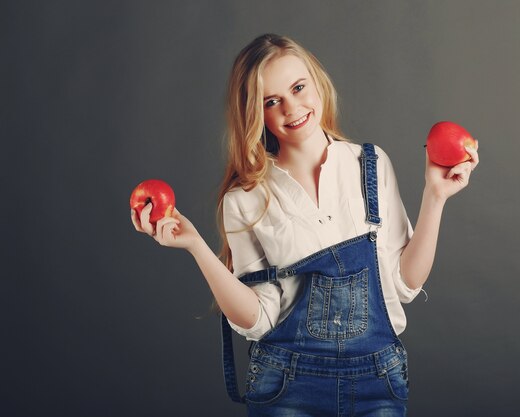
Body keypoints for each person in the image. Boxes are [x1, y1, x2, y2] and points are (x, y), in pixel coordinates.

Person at [131, 33, 479, 417]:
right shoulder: (245, 198)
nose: (292, 108)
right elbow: (258, 319)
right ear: (255, 114)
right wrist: (197, 246)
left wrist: (435, 197)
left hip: (377, 383)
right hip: (287, 387)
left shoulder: (370, 164)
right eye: (272, 101)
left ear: (317, 82)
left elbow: (405, 284)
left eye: (298, 87)